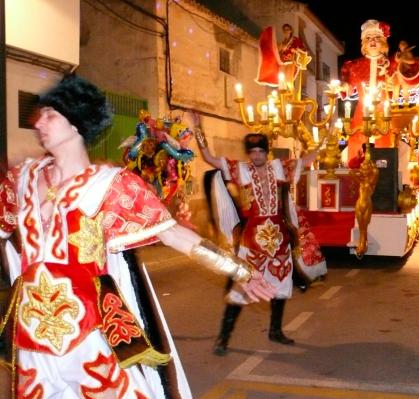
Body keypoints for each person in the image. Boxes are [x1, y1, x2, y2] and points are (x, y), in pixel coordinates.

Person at [0, 75, 275, 398]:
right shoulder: (22, 179)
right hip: (32, 337)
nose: (39, 122)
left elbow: (174, 235)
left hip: (90, 336)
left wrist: (239, 271)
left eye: (50, 115)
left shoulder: (112, 185)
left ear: (76, 124)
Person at [195, 129, 321, 356]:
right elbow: (209, 158)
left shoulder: (280, 167)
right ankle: (223, 338)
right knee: (240, 287)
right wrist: (198, 130)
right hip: (251, 240)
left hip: (279, 238)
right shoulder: (240, 170)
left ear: (266, 151)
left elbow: (307, 160)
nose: (256, 156)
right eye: (252, 152)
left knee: (281, 285)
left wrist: (323, 141)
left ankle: (275, 330)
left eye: (260, 151)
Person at [340, 19, 393, 152]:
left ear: (384, 42)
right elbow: (350, 87)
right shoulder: (355, 66)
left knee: (384, 148)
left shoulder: (391, 65)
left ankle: (384, 170)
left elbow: (398, 84)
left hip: (383, 113)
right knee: (358, 145)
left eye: (377, 37)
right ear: (364, 43)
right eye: (368, 38)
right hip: (362, 113)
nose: (372, 41)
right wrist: (341, 87)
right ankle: (357, 169)